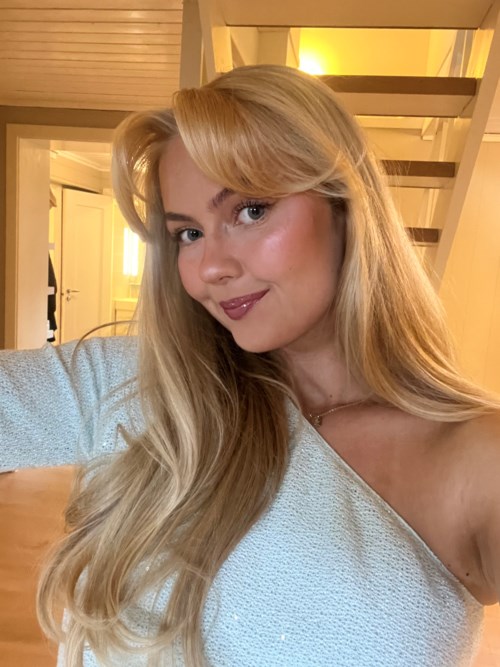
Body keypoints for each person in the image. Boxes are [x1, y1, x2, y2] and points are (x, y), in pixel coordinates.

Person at [1, 64, 499, 667]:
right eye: (188, 234)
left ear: (345, 208)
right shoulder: (139, 385)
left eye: (252, 211)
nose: (210, 267)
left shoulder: (474, 462)